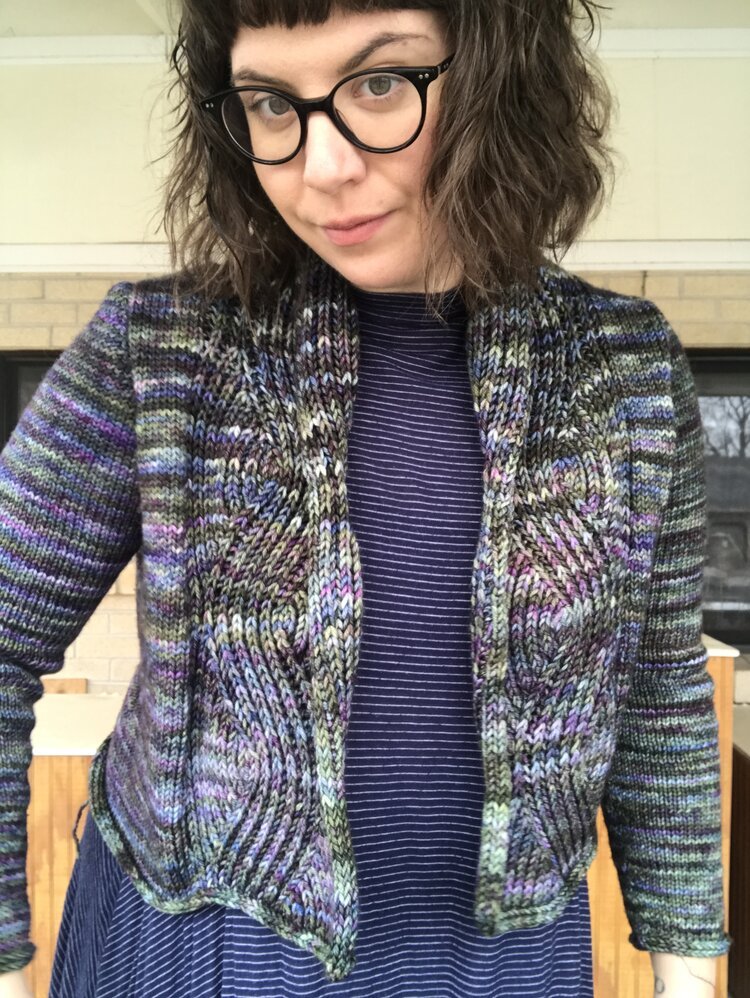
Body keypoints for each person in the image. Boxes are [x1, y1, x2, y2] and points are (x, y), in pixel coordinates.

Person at [0, 1, 733, 996]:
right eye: (271, 103)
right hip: (193, 958)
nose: (322, 167)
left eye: (379, 84)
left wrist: (688, 972)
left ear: (500, 80)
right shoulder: (157, 350)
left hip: (505, 967)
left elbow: (656, 695)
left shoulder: (628, 371)